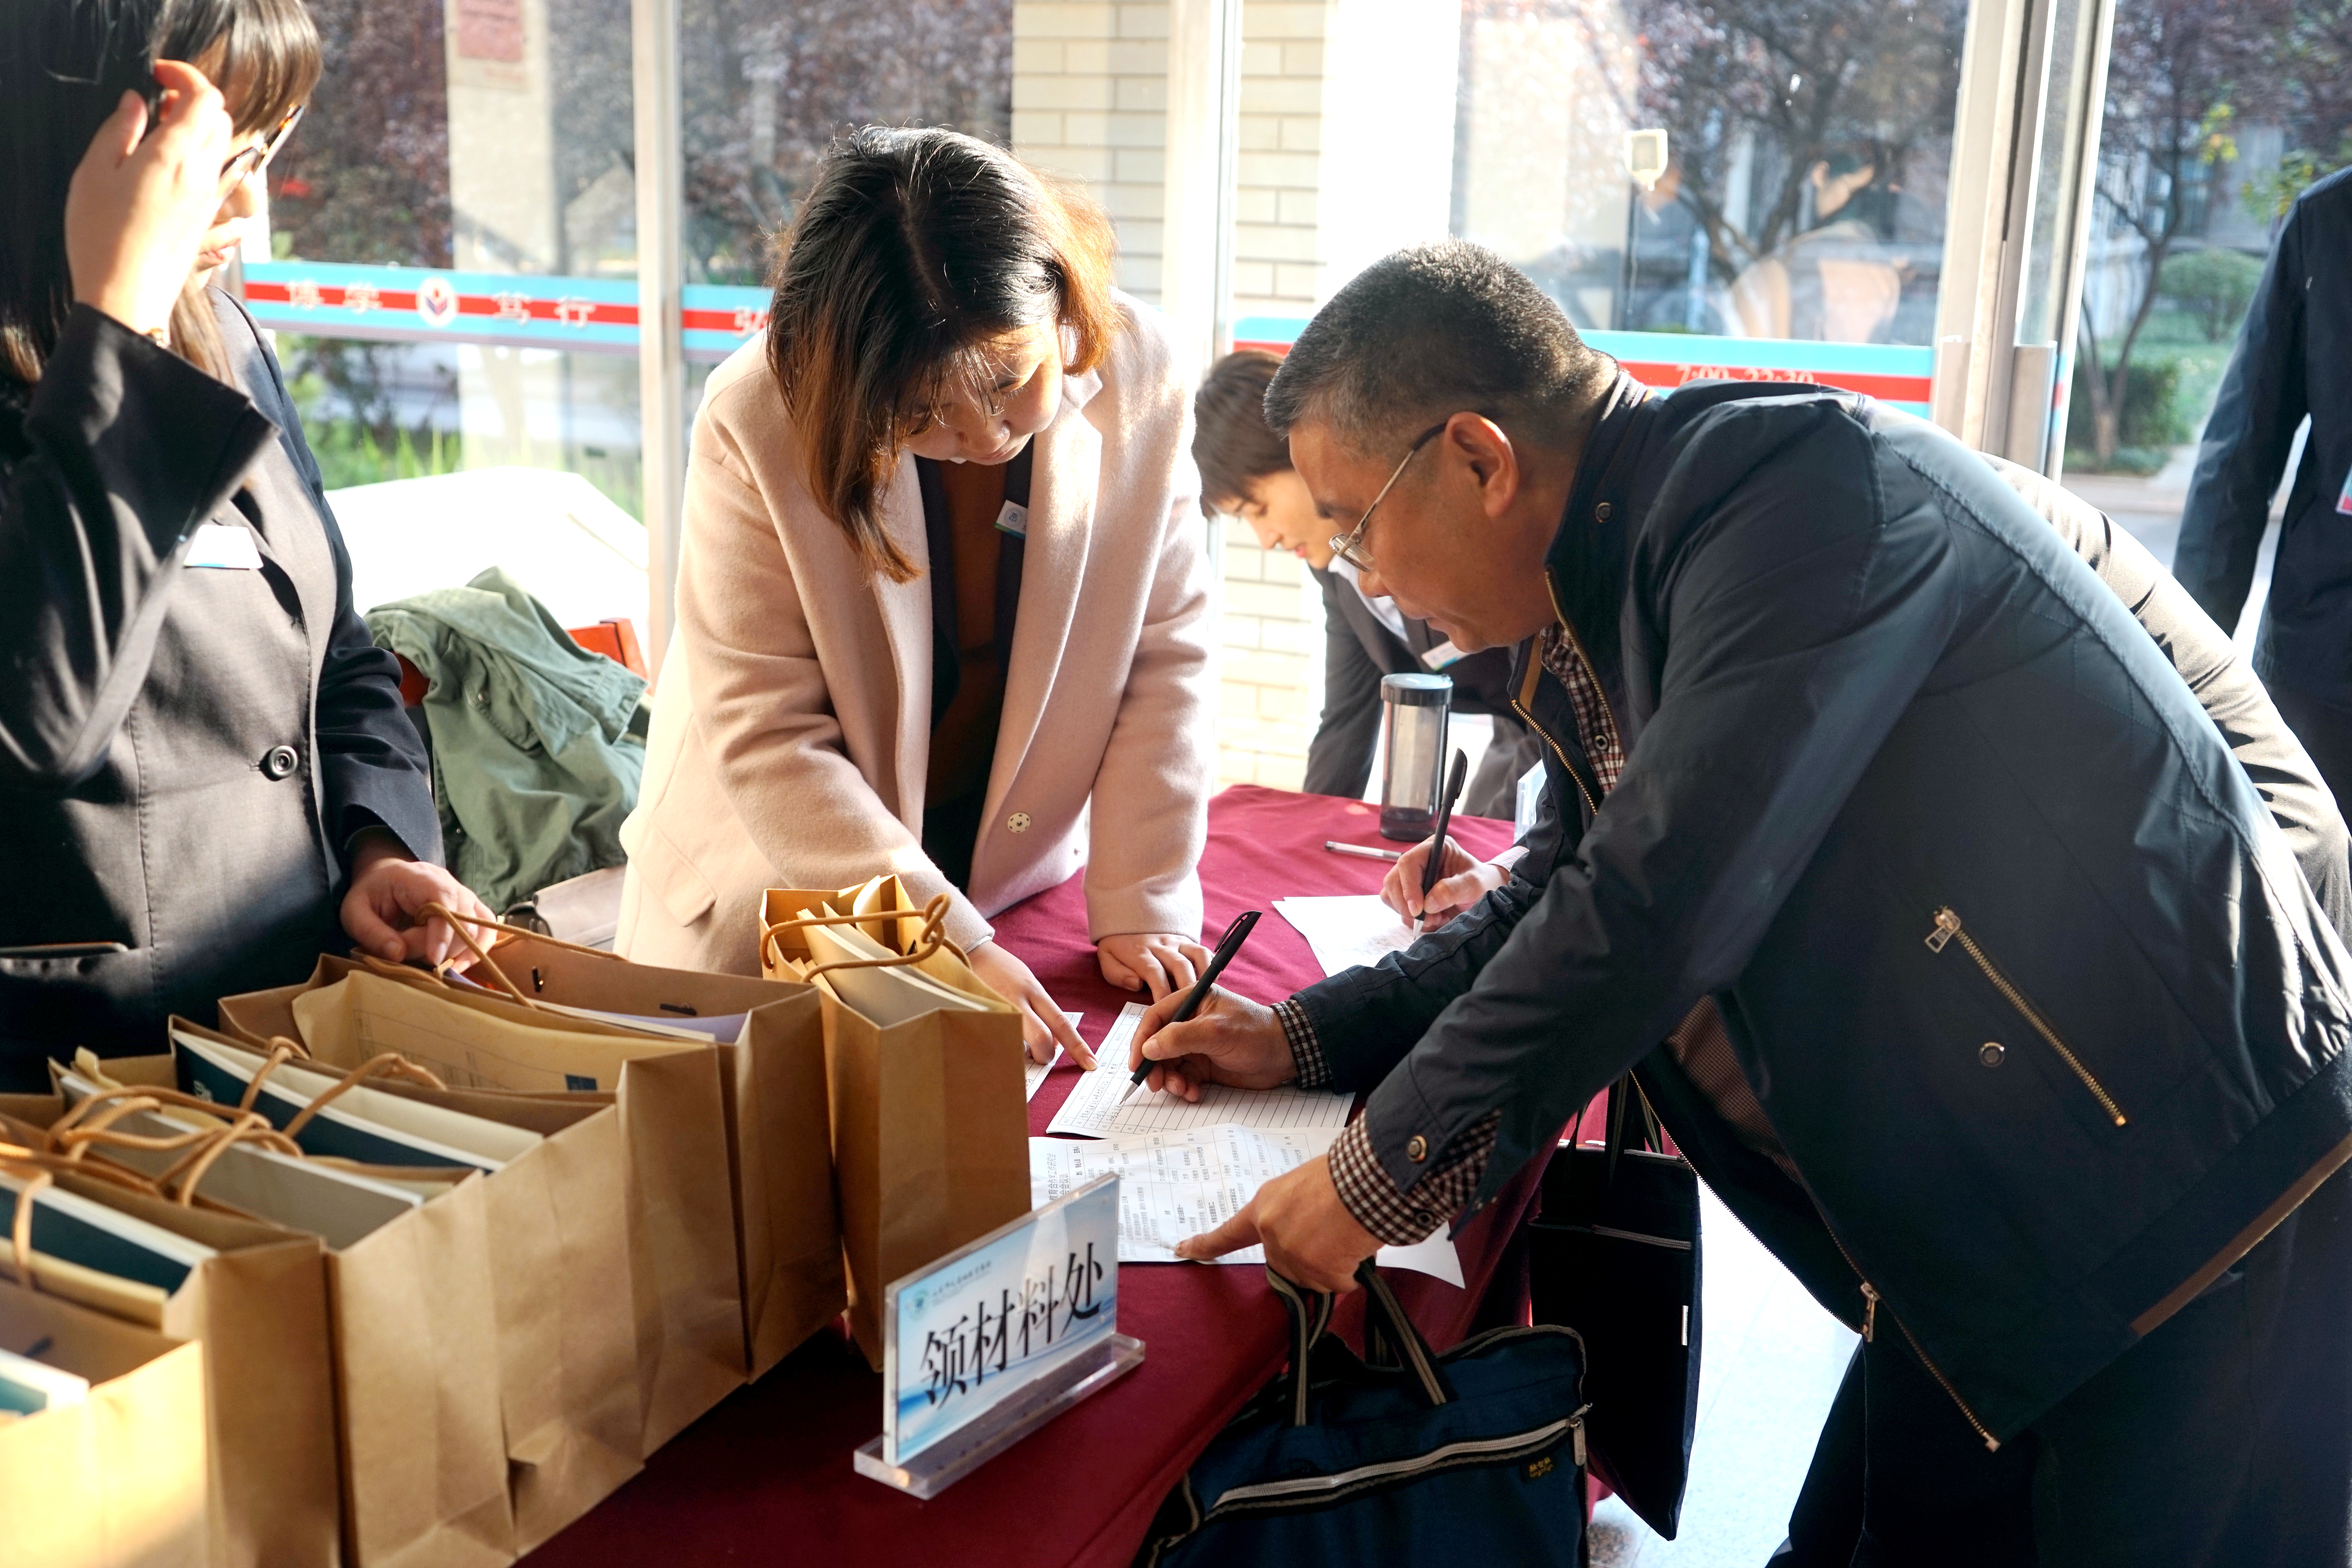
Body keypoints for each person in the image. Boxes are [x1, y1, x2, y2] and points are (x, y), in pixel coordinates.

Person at [1133, 241, 2352, 1562]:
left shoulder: (1794, 497)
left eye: (1354, 525)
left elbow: (1659, 894)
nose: (1359, 577)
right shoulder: (1622, 576)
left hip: (2195, 1182)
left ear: (1481, 461)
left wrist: (1379, 1175)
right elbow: (1560, 890)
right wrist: (1304, 1038)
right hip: (1997, 1200)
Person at [617, 127, 1215, 1064]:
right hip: (774, 873)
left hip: (1002, 859)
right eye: (924, 412)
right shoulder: (756, 416)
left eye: (1014, 382)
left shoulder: (1146, 374)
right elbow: (770, 732)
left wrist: (1141, 894)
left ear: (1060, 295)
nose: (985, 437)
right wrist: (947, 934)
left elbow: (1164, 648)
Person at [0, 0, 489, 1091]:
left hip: (288, 1022)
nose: (248, 202)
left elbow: (340, 650)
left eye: (266, 149)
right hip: (82, 1076)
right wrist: (113, 328)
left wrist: (377, 844)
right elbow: (42, 720)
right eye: (214, 156)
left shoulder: (221, 331)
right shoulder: (131, 337)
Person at [1191, 349, 1544, 820]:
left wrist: (1504, 856)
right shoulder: (1334, 573)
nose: (1266, 540)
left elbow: (1551, 673)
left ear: (1303, 458)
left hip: (1560, 726)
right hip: (1518, 734)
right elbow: (1348, 719)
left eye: (1259, 510)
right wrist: (1309, 832)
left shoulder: (1427, 526)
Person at [2174, 165, 2352, 810]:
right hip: (2324, 669)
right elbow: (2241, 456)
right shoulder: (2328, 221)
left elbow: (2239, 458)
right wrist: (2190, 668)